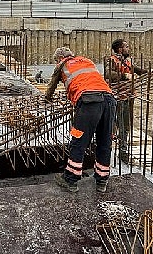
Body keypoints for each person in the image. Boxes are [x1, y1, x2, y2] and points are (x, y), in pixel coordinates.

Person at [44, 47, 116, 193]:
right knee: (104, 141)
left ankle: (70, 180)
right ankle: (102, 181)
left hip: (89, 102)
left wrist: (47, 98)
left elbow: (51, 87)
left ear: (59, 58)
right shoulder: (87, 61)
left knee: (78, 141)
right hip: (109, 100)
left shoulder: (62, 65)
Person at [106, 39, 147, 164]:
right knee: (114, 124)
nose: (128, 48)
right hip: (117, 97)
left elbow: (134, 69)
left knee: (125, 126)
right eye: (126, 46)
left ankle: (123, 153)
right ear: (120, 49)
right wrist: (124, 76)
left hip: (128, 95)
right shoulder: (112, 60)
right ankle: (106, 152)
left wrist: (146, 72)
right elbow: (108, 74)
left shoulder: (127, 61)